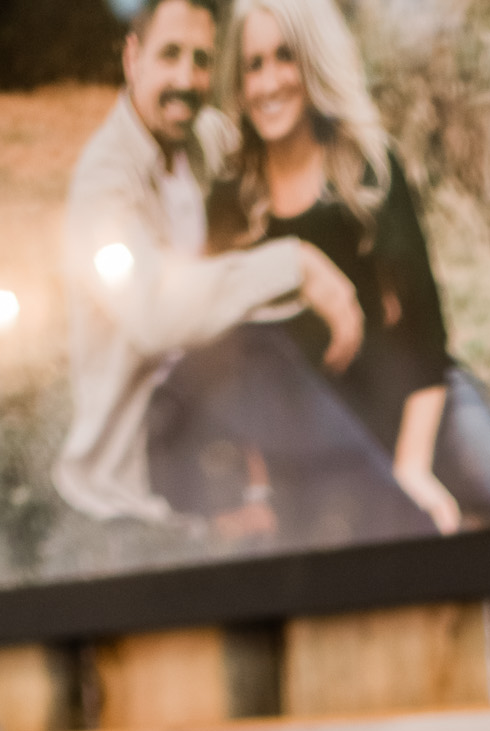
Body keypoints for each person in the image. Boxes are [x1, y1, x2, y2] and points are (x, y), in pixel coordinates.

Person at [54, 0, 426, 546]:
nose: (186, 78)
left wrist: (356, 187)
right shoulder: (102, 184)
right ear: (133, 58)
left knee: (301, 350)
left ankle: (414, 475)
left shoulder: (203, 139)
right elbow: (156, 313)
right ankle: (411, 528)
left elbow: (281, 151)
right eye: (170, 55)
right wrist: (296, 266)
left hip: (219, 403)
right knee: (263, 350)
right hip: (149, 442)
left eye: (201, 59)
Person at [210, 0, 490, 532]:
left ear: (313, 61)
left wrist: (413, 467)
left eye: (285, 58)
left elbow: (426, 336)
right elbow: (235, 363)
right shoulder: (231, 202)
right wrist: (261, 485)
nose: (269, 83)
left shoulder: (370, 170)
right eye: (254, 65)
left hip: (423, 407)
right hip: (330, 444)